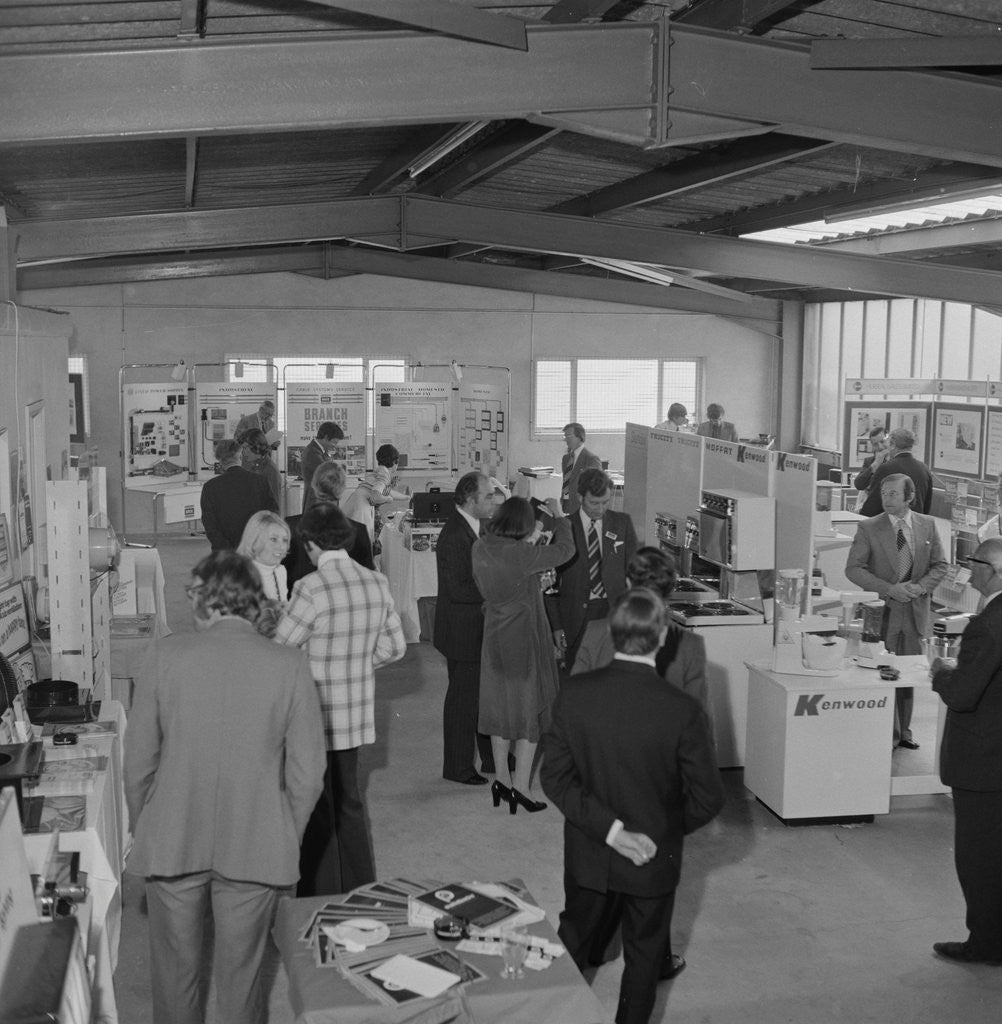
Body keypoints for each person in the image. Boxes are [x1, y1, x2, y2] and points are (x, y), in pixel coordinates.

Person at [124, 552, 325, 1024]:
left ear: (204, 598)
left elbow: (137, 763)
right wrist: (283, 833)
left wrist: (146, 822)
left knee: (174, 975)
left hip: (173, 837)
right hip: (255, 840)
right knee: (243, 976)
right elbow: (308, 774)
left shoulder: (165, 655)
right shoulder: (289, 664)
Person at [541, 587, 724, 1024]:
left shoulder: (575, 694)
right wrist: (662, 829)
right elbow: (708, 797)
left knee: (572, 944)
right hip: (652, 854)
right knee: (643, 961)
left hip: (588, 849)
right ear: (663, 637)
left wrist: (610, 832)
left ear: (613, 633)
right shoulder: (681, 710)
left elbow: (555, 779)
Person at [275, 503, 406, 896]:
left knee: (316, 806)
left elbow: (282, 646)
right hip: (354, 713)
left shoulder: (310, 587)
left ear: (310, 543)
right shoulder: (375, 581)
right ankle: (361, 888)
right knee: (349, 802)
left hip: (312, 714)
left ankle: (320, 895)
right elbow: (395, 647)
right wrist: (355, 665)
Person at [472, 495, 575, 811]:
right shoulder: (522, 555)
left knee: (500, 710)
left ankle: (501, 779)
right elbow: (565, 550)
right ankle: (521, 787)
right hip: (524, 638)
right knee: (529, 711)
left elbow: (520, 550)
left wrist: (539, 525)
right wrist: (562, 518)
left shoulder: (481, 547)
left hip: (493, 635)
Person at [930, 537, 1002, 967]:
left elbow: (962, 696)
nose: (967, 569)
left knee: (978, 859)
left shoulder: (988, 624)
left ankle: (986, 944)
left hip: (983, 760)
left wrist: (941, 672)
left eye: (973, 562)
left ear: (992, 570)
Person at [845, 473, 948, 749]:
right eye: (884, 493)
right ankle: (880, 731)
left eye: (893, 493)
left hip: (915, 612)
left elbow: (940, 565)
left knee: (908, 673)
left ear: (909, 497)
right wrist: (890, 589)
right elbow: (853, 568)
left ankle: (904, 732)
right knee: (878, 671)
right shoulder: (869, 527)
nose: (886, 499)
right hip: (882, 611)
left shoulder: (926, 525)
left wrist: (920, 587)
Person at [433, 471, 498, 786]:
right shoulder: (454, 536)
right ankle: (458, 767)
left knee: (482, 697)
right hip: (462, 632)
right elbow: (458, 589)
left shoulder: (476, 526)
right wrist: (498, 588)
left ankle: (490, 757)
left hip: (477, 628)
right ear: (470, 500)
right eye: (488, 495)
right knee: (464, 702)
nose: (493, 500)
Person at [546, 468, 639, 675]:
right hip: (576, 617)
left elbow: (635, 573)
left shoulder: (622, 523)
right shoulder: (564, 527)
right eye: (594, 503)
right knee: (579, 681)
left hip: (613, 613)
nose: (600, 509)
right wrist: (556, 626)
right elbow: (550, 584)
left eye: (605, 502)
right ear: (580, 497)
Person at [626, 546, 710, 714]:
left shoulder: (594, 633)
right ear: (671, 588)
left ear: (628, 583)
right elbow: (700, 719)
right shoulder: (691, 645)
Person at [284, 461, 375, 593]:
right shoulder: (358, 531)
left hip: (298, 604)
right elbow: (366, 581)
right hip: (343, 605)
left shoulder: (290, 526)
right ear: (342, 489)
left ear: (314, 486)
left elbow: (283, 575)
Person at [200, 437, 278, 551]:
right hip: (255, 549)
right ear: (240, 456)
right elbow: (272, 514)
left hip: (224, 555)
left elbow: (210, 526)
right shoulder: (260, 481)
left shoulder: (210, 487)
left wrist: (226, 550)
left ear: (219, 460)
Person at [342, 443, 409, 547]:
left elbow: (387, 492)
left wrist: (406, 497)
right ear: (394, 462)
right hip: (361, 510)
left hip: (354, 507)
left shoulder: (379, 471)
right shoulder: (385, 474)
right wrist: (388, 500)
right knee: (362, 548)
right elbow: (376, 496)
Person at [858, 427, 935, 517]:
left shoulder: (886, 468)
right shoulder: (924, 469)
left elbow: (873, 505)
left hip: (890, 525)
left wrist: (862, 516)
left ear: (893, 444)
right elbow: (927, 506)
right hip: (915, 524)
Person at [237, 509, 290, 604]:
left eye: (285, 540)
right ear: (254, 541)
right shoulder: (239, 576)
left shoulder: (280, 571)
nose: (281, 546)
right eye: (274, 539)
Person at [300, 421, 344, 513]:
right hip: (316, 503)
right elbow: (329, 475)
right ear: (326, 437)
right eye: (334, 442)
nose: (335, 446)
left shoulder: (319, 452)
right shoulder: (312, 453)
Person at [561, 422, 603, 514]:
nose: (566, 440)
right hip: (567, 506)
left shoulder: (591, 459)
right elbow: (566, 483)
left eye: (569, 436)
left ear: (579, 437)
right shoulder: (566, 459)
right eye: (565, 436)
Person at [241, 426, 282, 508]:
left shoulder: (270, 470)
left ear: (257, 446)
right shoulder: (252, 465)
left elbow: (274, 506)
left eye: (245, 448)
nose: (243, 452)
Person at [852, 424, 890, 512]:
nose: (880, 447)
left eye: (882, 442)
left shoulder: (897, 460)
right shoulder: (869, 462)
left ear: (889, 440)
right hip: (873, 511)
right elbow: (859, 484)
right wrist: (875, 464)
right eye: (875, 444)